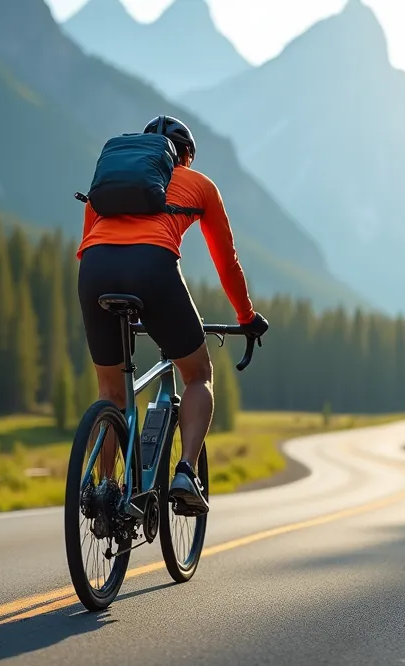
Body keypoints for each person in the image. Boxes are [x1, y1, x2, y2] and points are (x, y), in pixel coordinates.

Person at [76, 115, 268, 516]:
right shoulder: (198, 185)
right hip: (153, 267)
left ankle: (108, 491)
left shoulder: (109, 183)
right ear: (186, 156)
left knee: (111, 391)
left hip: (94, 269)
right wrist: (246, 316)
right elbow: (226, 262)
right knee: (198, 374)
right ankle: (185, 473)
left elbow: (90, 240)